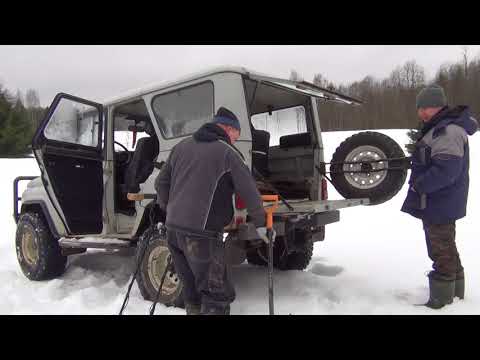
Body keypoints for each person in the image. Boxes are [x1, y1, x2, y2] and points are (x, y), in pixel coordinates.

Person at [155, 107, 272, 315]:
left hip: (173, 232)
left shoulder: (180, 147)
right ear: (228, 128)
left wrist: (170, 208)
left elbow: (161, 183)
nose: (236, 139)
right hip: (203, 237)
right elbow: (250, 192)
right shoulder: (228, 153)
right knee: (216, 294)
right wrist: (262, 225)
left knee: (191, 292)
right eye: (237, 133)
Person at [401, 85, 478, 309]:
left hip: (440, 201)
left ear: (435, 107)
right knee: (446, 245)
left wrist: (419, 185)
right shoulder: (440, 129)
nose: (420, 113)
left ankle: (442, 300)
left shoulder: (448, 131)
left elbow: (447, 171)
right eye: (419, 109)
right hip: (441, 201)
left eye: (424, 108)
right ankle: (455, 296)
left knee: (440, 247)